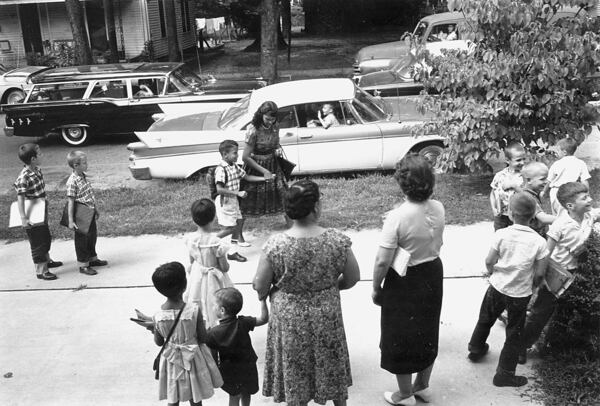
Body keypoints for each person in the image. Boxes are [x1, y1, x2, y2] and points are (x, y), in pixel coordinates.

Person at [253, 179, 360, 406]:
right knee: (330, 362)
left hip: (289, 317)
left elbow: (260, 285)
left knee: (295, 370)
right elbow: (353, 277)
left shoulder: (275, 245)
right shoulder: (337, 241)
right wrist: (328, 288)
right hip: (326, 313)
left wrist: (278, 290)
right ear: (316, 207)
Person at [372, 154, 445, 405]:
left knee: (400, 335)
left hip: (406, 279)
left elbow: (383, 260)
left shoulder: (398, 216)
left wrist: (376, 288)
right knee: (427, 328)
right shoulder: (438, 207)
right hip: (433, 272)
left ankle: (404, 394)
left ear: (402, 184)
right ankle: (422, 384)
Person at [467, 192, 548, 388]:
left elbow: (489, 260)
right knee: (514, 332)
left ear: (510, 214)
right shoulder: (539, 242)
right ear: (534, 215)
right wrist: (533, 286)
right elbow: (539, 273)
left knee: (485, 318)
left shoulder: (501, 234)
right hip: (519, 294)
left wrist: (491, 272)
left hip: (497, 287)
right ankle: (504, 374)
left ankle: (475, 348)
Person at [520, 182, 600, 363]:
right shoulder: (560, 225)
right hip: (557, 274)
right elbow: (546, 251)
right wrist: (540, 275)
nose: (590, 199)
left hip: (577, 273)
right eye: (585, 198)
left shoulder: (588, 215)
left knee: (566, 309)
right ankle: (521, 346)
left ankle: (552, 344)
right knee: (541, 312)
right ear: (570, 206)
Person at [151, 261, 224, 405]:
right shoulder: (194, 310)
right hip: (193, 359)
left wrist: (154, 329)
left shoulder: (158, 316)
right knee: (195, 395)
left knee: (173, 395)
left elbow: (159, 342)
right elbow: (203, 338)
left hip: (171, 360)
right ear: (184, 286)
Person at [206, 287, 269, 406]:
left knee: (234, 396)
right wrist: (263, 301)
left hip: (229, 369)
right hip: (248, 366)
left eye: (214, 305)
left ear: (222, 310)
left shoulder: (213, 333)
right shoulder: (244, 322)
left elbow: (213, 358)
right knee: (246, 393)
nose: (212, 307)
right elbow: (264, 319)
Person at [13, 143, 62, 280]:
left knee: (45, 237)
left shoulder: (37, 170)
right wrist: (23, 218)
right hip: (31, 214)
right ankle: (41, 270)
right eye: (39, 154)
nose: (42, 155)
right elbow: (20, 198)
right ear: (33, 159)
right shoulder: (24, 177)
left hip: (40, 209)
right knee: (37, 241)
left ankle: (47, 261)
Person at [185, 198, 234, 328]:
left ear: (193, 219)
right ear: (214, 217)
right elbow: (224, 267)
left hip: (198, 277)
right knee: (216, 304)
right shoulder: (217, 242)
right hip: (214, 279)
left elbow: (191, 261)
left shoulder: (191, 240)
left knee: (198, 302)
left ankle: (201, 328)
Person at [215, 139, 267, 262]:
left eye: (237, 152)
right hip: (225, 201)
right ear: (224, 154)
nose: (237, 155)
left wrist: (264, 178)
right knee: (231, 228)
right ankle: (210, 241)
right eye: (234, 153)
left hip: (234, 201)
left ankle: (232, 252)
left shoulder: (235, 166)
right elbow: (219, 189)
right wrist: (237, 193)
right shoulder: (221, 169)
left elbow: (247, 177)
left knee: (237, 225)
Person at [240, 101, 288, 223]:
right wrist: (264, 171)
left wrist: (276, 150)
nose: (270, 122)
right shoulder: (253, 130)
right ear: (261, 114)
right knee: (247, 202)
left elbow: (276, 143)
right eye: (267, 119)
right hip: (256, 167)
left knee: (284, 197)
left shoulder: (276, 125)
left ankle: (292, 228)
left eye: (273, 119)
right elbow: (245, 157)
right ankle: (238, 236)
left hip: (273, 164)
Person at [66, 151, 108, 276]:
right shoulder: (72, 181)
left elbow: (89, 195)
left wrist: (96, 209)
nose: (87, 164)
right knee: (82, 240)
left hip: (89, 211)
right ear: (75, 165)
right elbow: (71, 202)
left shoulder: (83, 176)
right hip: (80, 214)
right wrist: (70, 220)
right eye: (84, 163)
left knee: (92, 236)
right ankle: (83, 265)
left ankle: (92, 259)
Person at [544, 138, 591, 216]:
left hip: (556, 191)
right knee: (570, 213)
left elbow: (548, 181)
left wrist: (543, 191)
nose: (557, 153)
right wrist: (586, 194)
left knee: (556, 214)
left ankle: (557, 226)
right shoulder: (580, 163)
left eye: (558, 151)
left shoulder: (557, 164)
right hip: (571, 191)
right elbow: (584, 181)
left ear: (564, 152)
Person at [490, 142, 526, 230]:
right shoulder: (500, 175)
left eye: (523, 159)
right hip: (501, 216)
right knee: (500, 238)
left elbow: (528, 196)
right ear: (507, 160)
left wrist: (514, 186)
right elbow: (493, 194)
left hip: (519, 216)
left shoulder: (525, 175)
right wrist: (494, 208)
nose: (522, 162)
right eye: (518, 160)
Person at [521, 162, 555, 238]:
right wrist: (567, 220)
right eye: (542, 179)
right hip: (532, 238)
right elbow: (543, 218)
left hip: (537, 235)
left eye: (547, 178)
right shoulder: (528, 197)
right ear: (529, 180)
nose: (546, 181)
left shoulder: (533, 193)